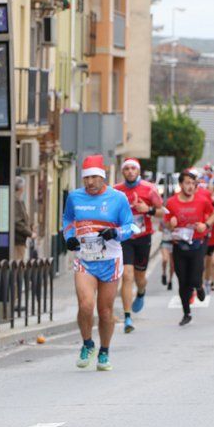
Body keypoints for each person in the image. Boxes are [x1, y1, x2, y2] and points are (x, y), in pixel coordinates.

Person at [63, 155, 133, 371]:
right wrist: (69, 238)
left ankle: (104, 351)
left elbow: (130, 227)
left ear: (103, 177)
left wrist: (116, 232)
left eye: (94, 177)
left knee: (105, 311)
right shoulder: (75, 197)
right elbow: (67, 221)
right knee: (85, 305)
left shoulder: (118, 198)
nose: (90, 182)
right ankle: (87, 343)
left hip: (110, 260)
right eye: (86, 178)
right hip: (85, 259)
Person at [113, 158, 163, 333]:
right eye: (126, 168)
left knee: (139, 277)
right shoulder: (116, 191)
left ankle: (141, 291)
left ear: (138, 171)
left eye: (133, 168)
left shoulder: (149, 189)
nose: (130, 171)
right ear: (122, 172)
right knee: (127, 275)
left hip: (143, 237)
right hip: (125, 238)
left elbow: (162, 212)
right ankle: (127, 317)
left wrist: (147, 210)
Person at [164, 171, 214, 327]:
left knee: (194, 276)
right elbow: (166, 222)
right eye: (187, 183)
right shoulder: (172, 202)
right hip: (179, 244)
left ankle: (199, 286)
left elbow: (213, 214)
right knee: (183, 281)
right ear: (180, 184)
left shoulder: (202, 200)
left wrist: (205, 225)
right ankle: (187, 313)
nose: (190, 186)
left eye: (193, 183)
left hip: (198, 243)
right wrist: (170, 223)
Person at [14, 176, 36, 262]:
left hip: (19, 240)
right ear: (21, 188)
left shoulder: (18, 200)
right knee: (17, 264)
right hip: (17, 240)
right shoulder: (16, 201)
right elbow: (17, 222)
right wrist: (30, 233)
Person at [159, 225, 174, 291]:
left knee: (172, 265)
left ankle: (170, 281)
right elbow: (159, 229)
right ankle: (164, 274)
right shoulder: (164, 218)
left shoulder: (174, 219)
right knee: (165, 259)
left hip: (173, 243)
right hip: (165, 242)